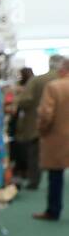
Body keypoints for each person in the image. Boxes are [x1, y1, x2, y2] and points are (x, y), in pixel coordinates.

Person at [15, 55, 63, 191]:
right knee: (59, 155)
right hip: (62, 126)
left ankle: (34, 180)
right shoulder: (63, 81)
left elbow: (25, 100)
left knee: (35, 153)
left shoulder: (38, 80)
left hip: (37, 122)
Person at [34, 56, 69, 221]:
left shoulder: (54, 87)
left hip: (57, 136)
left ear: (62, 69)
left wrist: (42, 130)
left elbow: (46, 113)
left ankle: (53, 210)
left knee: (55, 175)